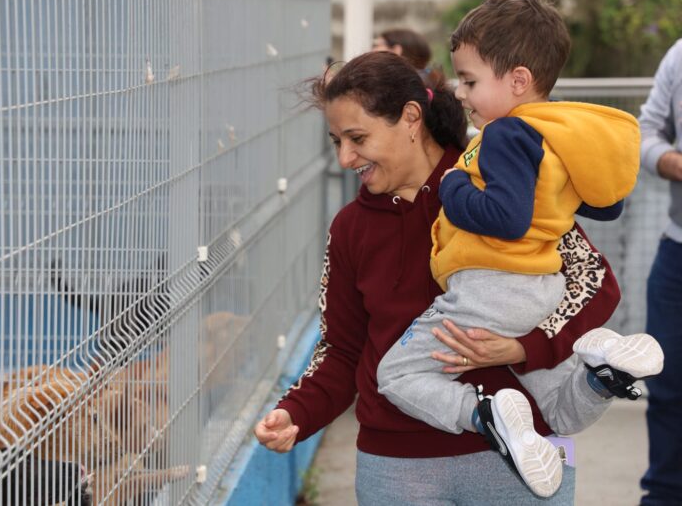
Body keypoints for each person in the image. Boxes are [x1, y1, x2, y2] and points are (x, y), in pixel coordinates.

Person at [254, 50, 622, 505]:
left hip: (527, 459)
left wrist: (526, 347)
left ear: (411, 118)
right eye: (336, 142)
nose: (346, 158)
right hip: (395, 464)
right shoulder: (349, 228)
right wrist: (297, 412)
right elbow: (342, 348)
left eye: (357, 138)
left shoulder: (494, 183)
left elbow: (593, 281)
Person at [376, 0, 663, 498]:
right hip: (539, 290)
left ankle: (484, 413)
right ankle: (602, 372)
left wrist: (453, 186)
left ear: (517, 81)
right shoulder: (554, 135)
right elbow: (606, 207)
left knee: (396, 375)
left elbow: (506, 220)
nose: (461, 93)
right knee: (560, 411)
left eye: (470, 81)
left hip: (490, 290)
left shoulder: (507, 134)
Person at [637, 38, 682, 506]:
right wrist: (673, 162)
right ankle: (664, 495)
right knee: (666, 386)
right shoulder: (679, 55)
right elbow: (646, 133)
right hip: (677, 251)